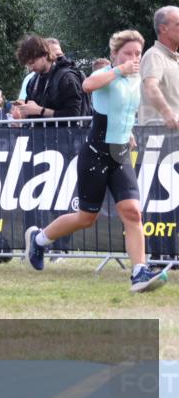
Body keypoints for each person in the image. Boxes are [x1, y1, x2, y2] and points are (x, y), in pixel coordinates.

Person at [25, 30, 167, 293]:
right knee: (86, 217)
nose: (134, 58)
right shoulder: (107, 74)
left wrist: (128, 132)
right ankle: (39, 239)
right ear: (114, 54)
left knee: (133, 212)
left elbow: (124, 110)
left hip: (120, 153)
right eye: (128, 53)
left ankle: (139, 272)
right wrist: (119, 70)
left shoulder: (136, 79)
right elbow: (87, 86)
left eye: (138, 53)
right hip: (95, 155)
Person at [15, 34, 85, 121]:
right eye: (27, 65)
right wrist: (23, 112)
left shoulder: (67, 78)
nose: (31, 68)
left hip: (66, 130)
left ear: (44, 55)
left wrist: (40, 111)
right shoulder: (32, 81)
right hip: (40, 129)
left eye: (32, 62)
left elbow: (74, 115)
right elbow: (31, 112)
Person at [139, 5, 179, 129]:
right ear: (163, 28)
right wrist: (167, 113)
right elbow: (150, 87)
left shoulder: (174, 59)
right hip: (159, 134)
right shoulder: (154, 55)